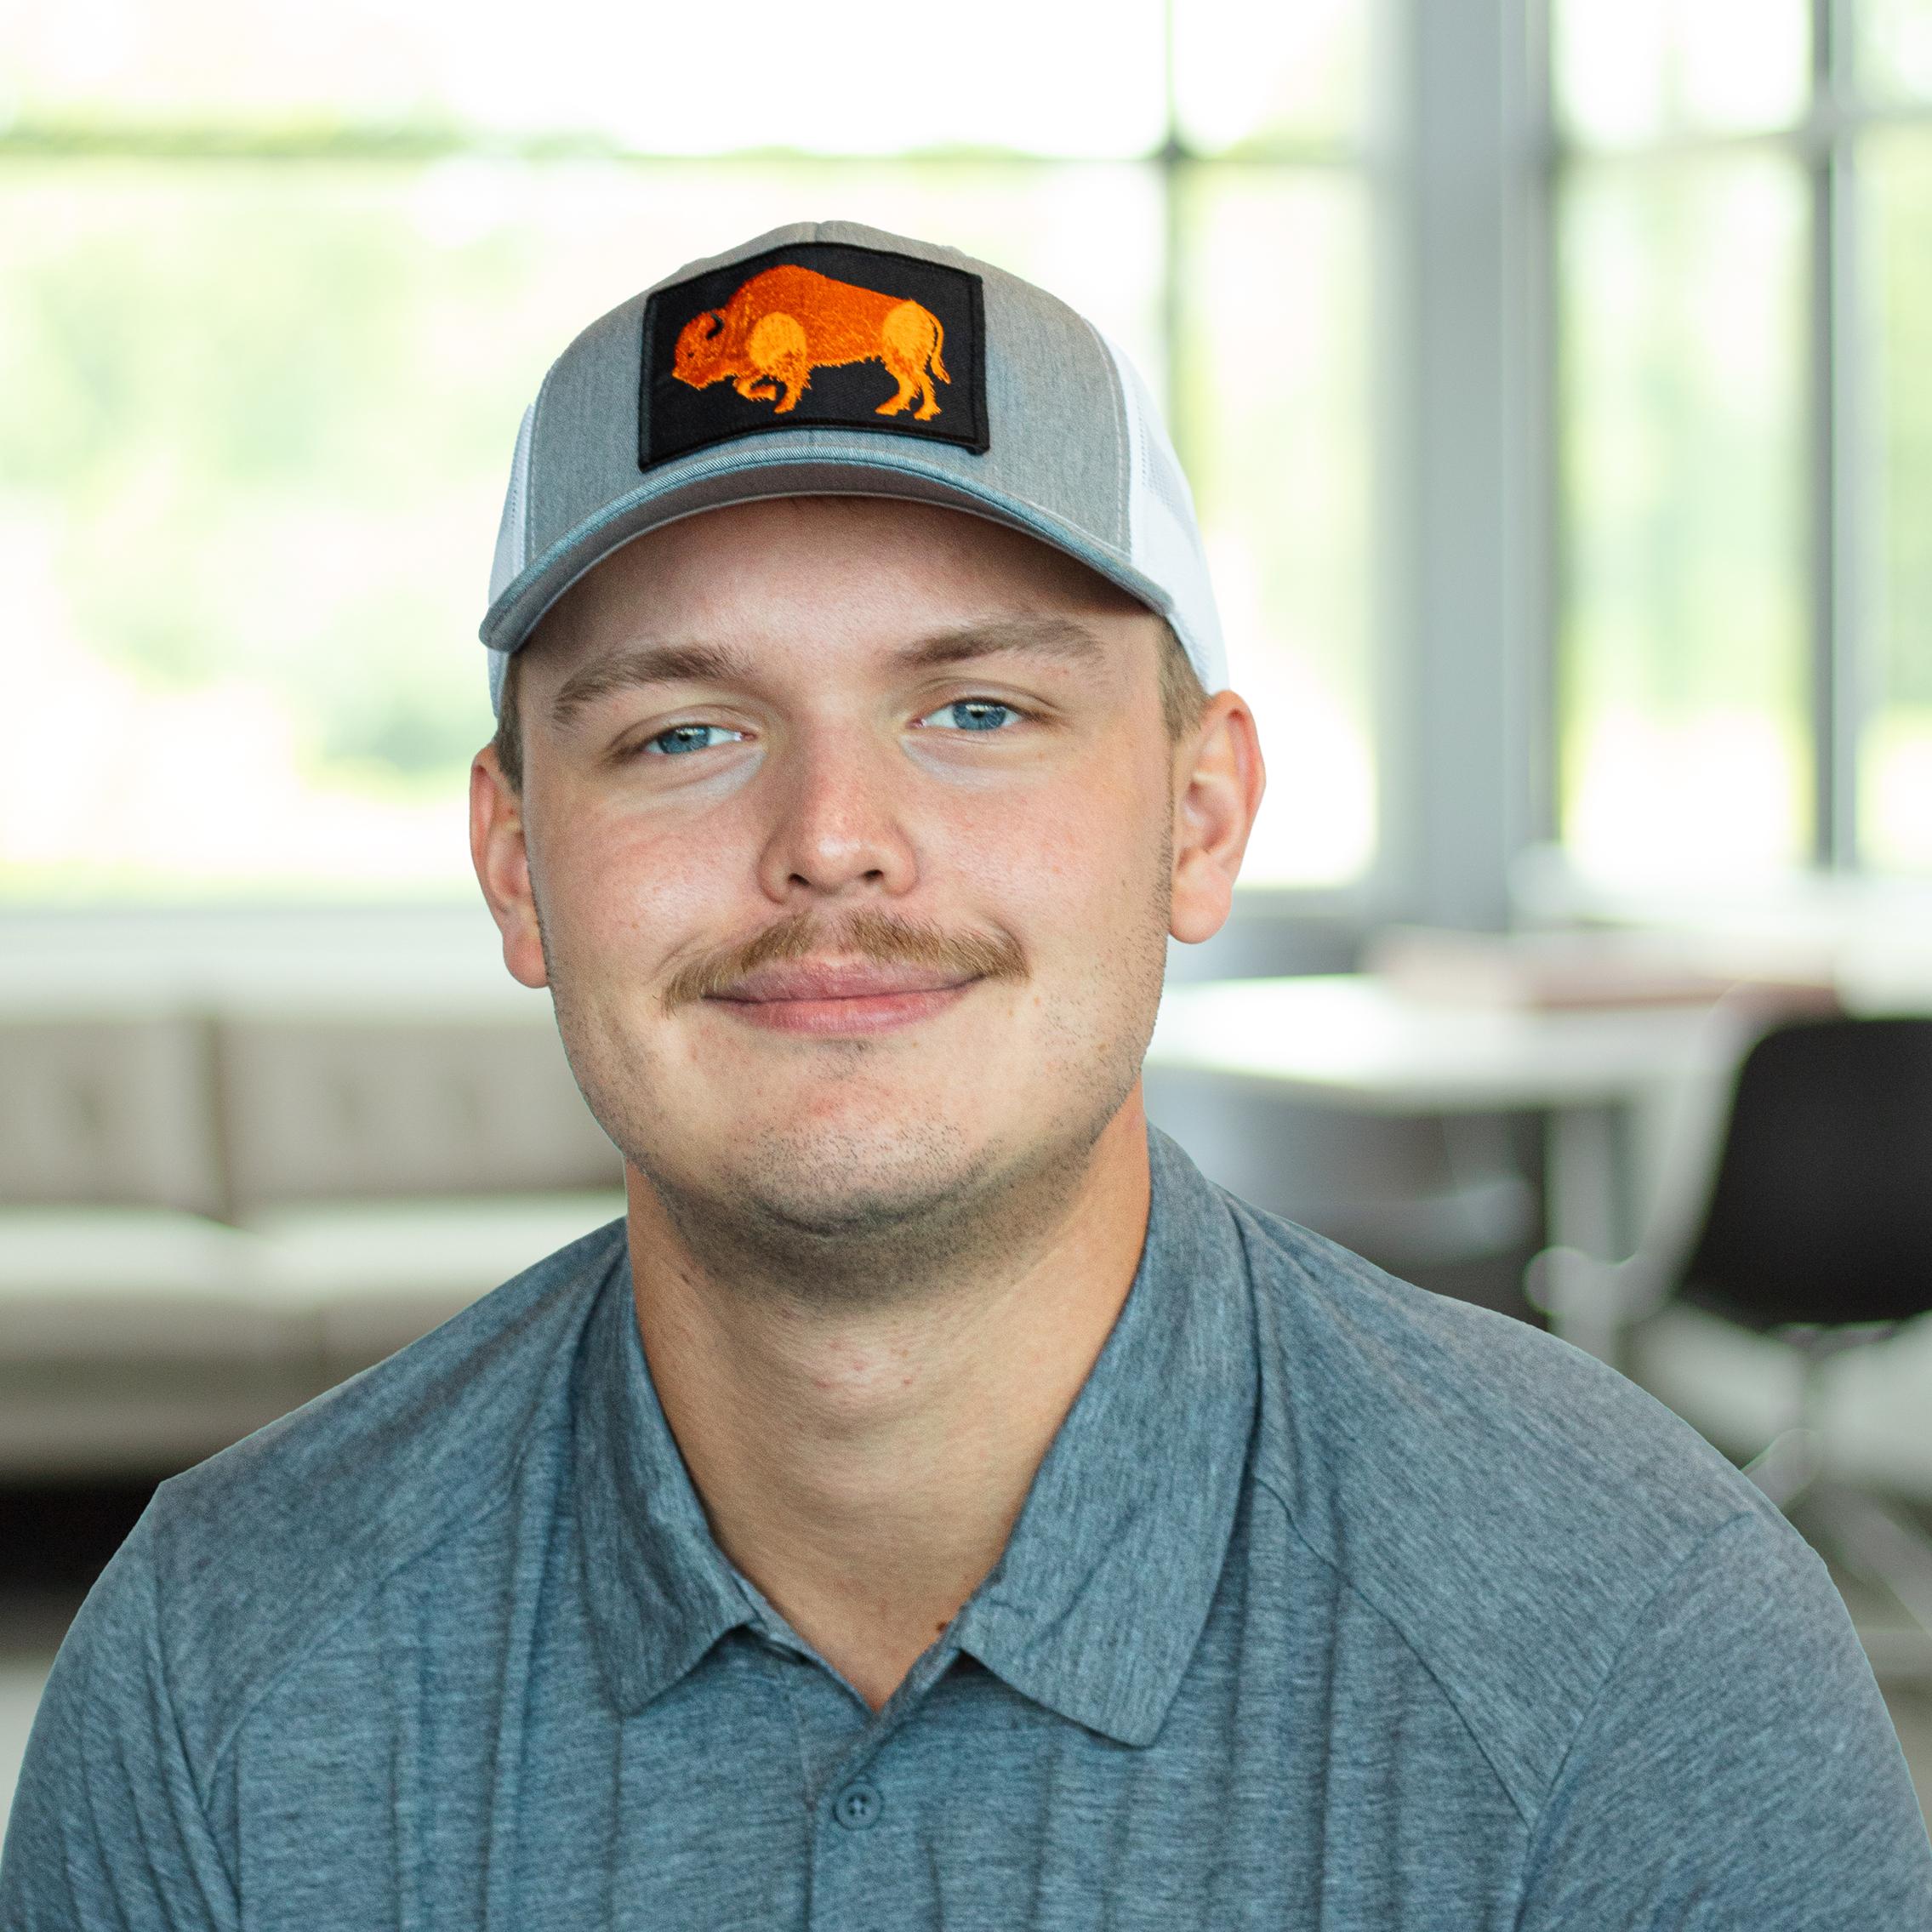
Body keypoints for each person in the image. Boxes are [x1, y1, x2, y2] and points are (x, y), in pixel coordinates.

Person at [4, 220, 1929, 1929]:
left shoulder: (1637, 1646)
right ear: (516, 862)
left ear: (1198, 816)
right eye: (683, 733)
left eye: (979, 709)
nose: (833, 840)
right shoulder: (215, 1670)